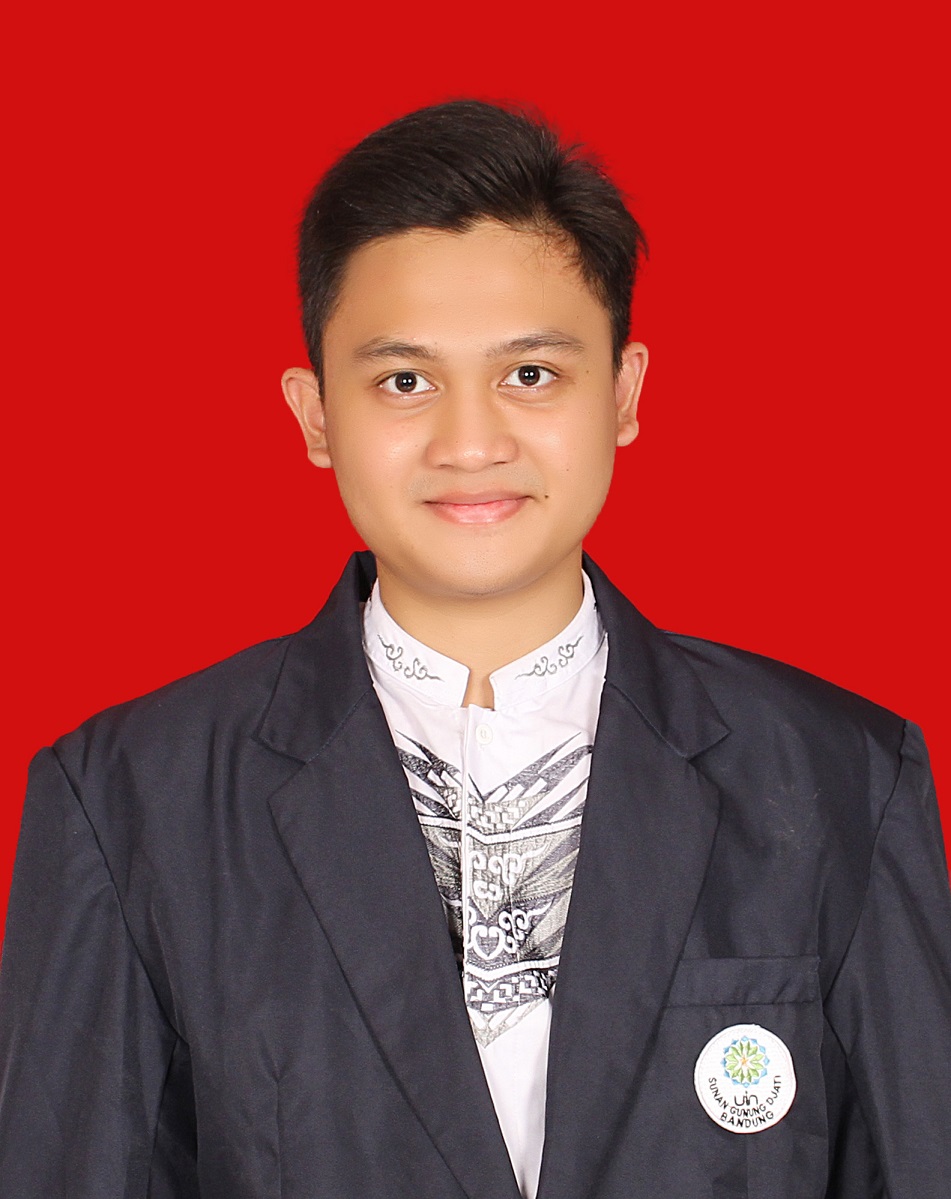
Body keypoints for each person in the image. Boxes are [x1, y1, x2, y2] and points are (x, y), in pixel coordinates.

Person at [0, 99, 949, 1199]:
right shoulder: (127, 802)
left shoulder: (842, 778)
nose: (470, 441)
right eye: (404, 381)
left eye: (530, 374)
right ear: (315, 414)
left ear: (624, 392)